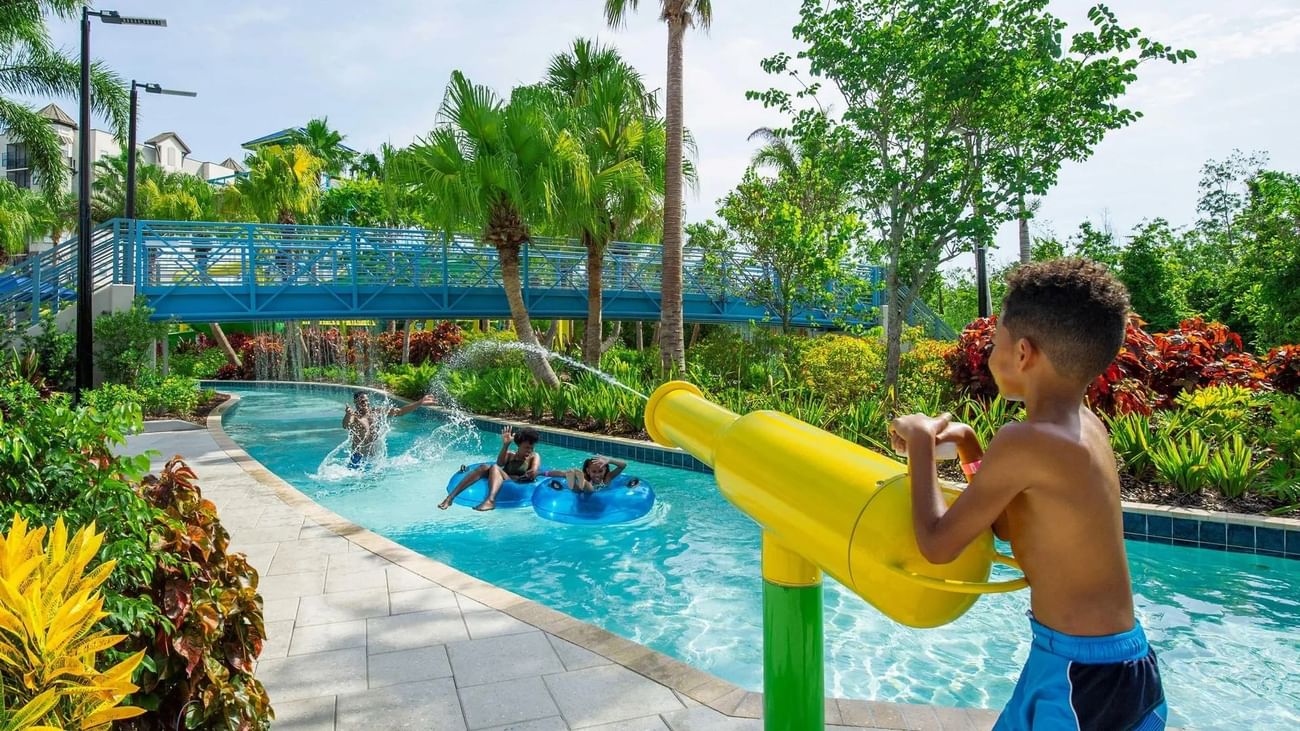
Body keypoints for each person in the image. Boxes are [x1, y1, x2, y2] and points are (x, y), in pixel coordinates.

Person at [888, 259, 1166, 731]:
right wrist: (971, 443)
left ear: (1022, 353)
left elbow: (937, 544)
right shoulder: (1085, 427)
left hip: (1082, 681)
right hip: (1108, 666)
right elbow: (1007, 523)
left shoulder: (1026, 440)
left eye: (994, 344)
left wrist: (919, 440)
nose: (989, 356)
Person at [440, 425, 541, 511]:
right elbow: (500, 463)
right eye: (526, 447)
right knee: (484, 467)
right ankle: (450, 498)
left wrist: (532, 472)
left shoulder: (533, 456)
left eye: (531, 448)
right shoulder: (510, 455)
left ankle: (490, 501)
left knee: (494, 468)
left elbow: (534, 469)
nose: (529, 451)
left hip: (516, 483)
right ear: (518, 445)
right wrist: (505, 445)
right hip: (504, 478)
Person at [342, 391, 435, 467]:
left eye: (367, 401)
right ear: (356, 403)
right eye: (362, 401)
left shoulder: (376, 412)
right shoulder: (355, 417)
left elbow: (400, 412)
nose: (366, 403)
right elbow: (346, 425)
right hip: (358, 459)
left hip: (374, 459)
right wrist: (348, 414)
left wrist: (419, 403)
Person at [544, 455, 628, 493]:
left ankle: (577, 480)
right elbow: (561, 473)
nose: (597, 475)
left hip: (585, 488)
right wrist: (543, 473)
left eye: (600, 471)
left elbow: (623, 465)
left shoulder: (607, 477)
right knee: (583, 490)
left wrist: (610, 460)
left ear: (605, 470)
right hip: (586, 492)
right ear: (588, 471)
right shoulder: (586, 475)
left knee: (580, 489)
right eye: (594, 472)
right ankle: (577, 480)